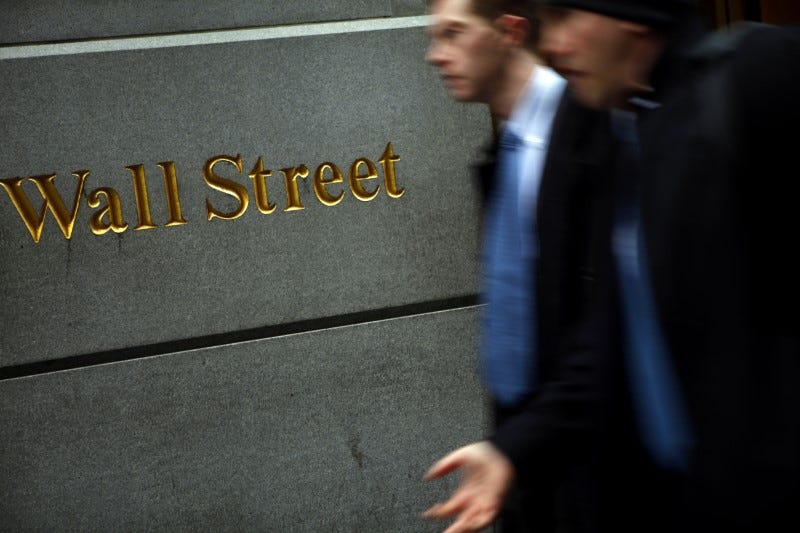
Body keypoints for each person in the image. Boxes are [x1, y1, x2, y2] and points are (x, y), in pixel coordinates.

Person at [530, 1, 800, 531]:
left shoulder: (751, 80)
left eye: (565, 17)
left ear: (628, 17)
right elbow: (609, 333)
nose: (553, 45)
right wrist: (511, 450)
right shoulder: (620, 133)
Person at [423, 1, 611, 532]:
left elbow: (605, 328)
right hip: (530, 472)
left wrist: (515, 448)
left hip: (600, 470)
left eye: (454, 33)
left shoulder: (596, 133)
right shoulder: (502, 153)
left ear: (510, 32)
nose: (435, 55)